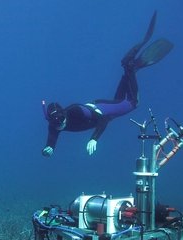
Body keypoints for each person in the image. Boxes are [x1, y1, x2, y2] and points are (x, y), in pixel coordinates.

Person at [42, 11, 172, 157]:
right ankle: (129, 69)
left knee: (133, 103)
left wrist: (94, 139)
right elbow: (52, 138)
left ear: (64, 114)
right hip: (99, 106)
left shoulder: (74, 111)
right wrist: (49, 148)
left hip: (102, 110)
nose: (60, 125)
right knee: (120, 100)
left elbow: (103, 120)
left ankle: (129, 67)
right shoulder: (53, 125)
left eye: (61, 121)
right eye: (57, 124)